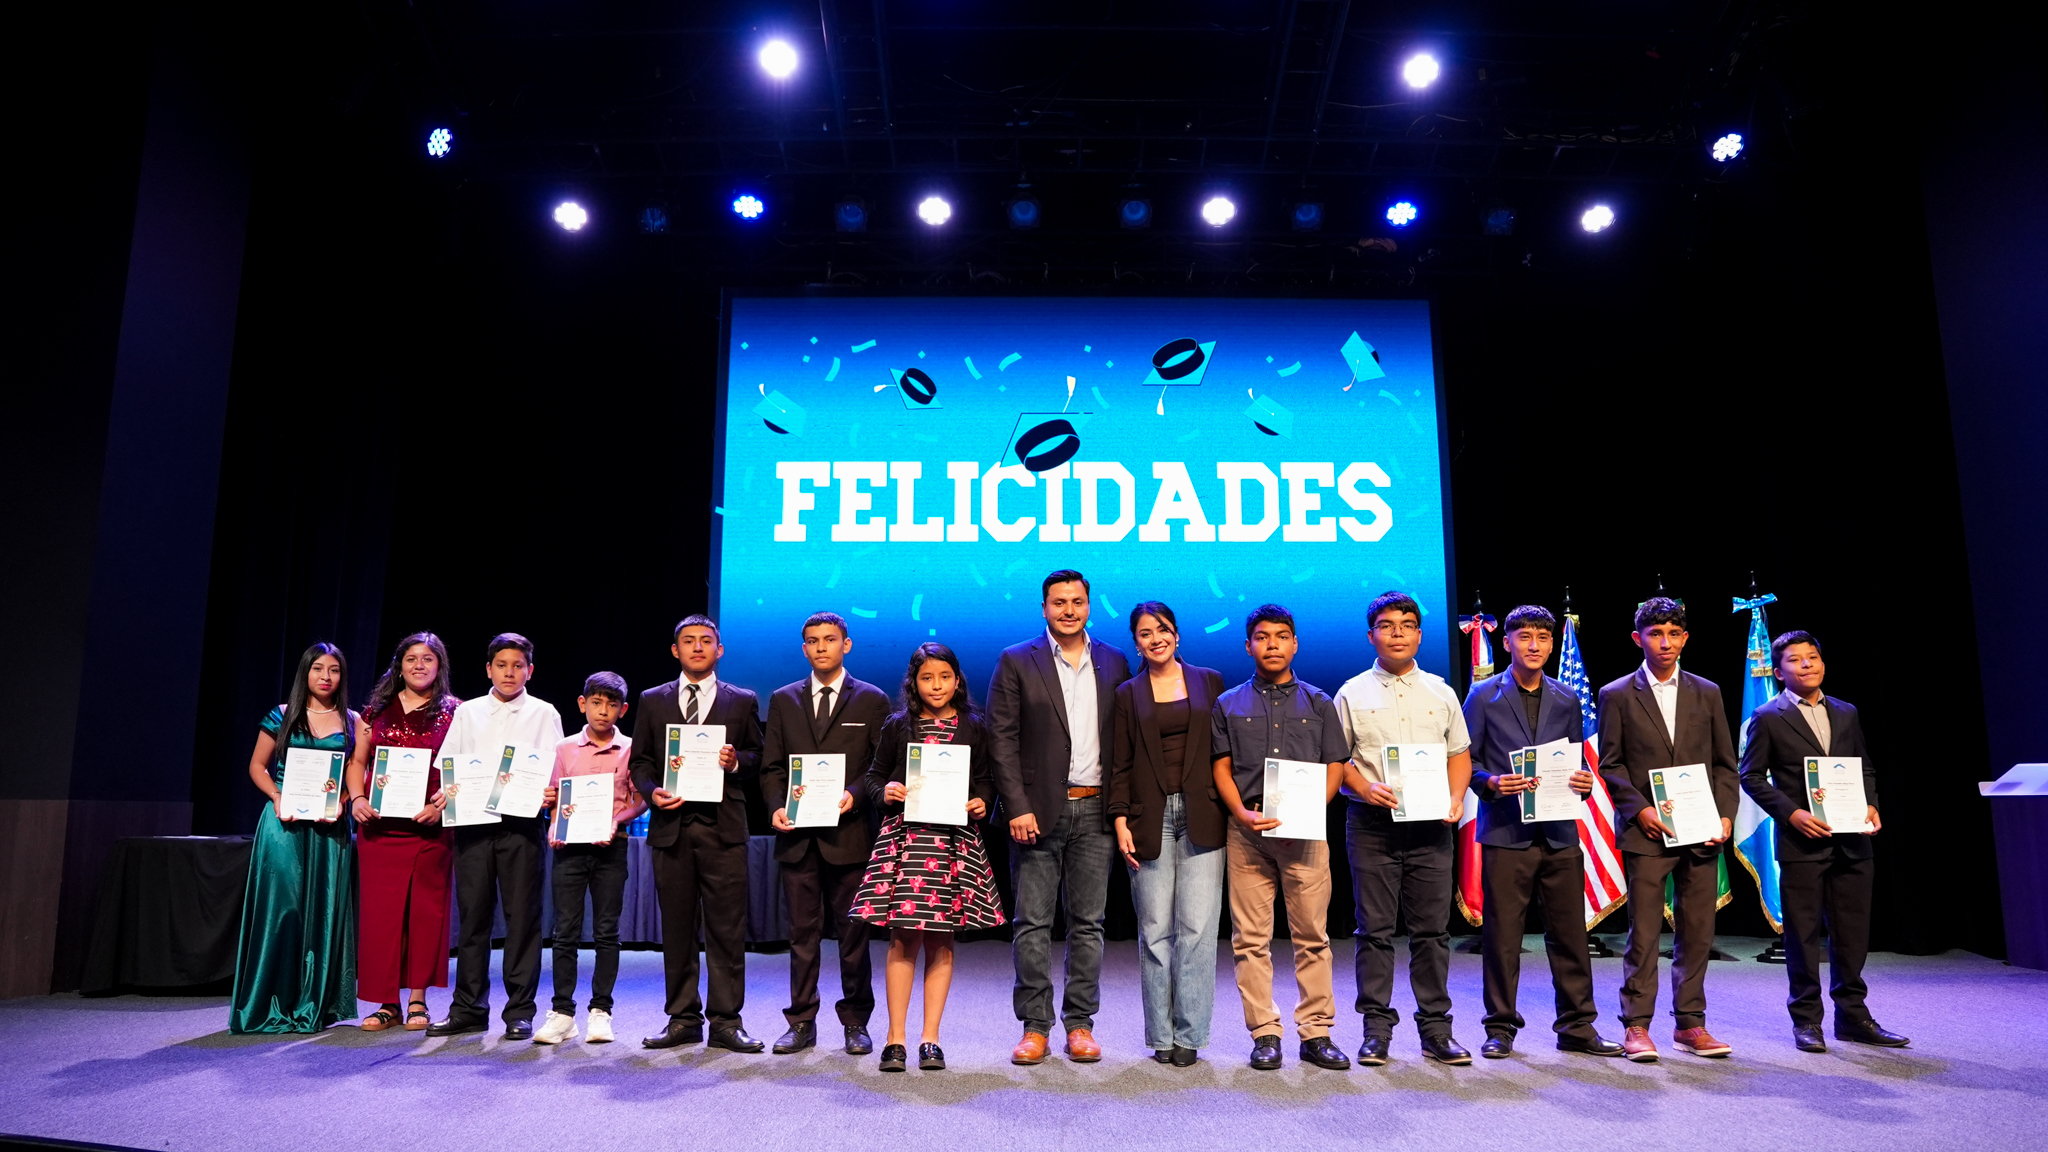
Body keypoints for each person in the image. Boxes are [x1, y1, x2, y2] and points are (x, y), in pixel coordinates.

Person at [1461, 606, 1623, 1059]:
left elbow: (1574, 760)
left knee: (1570, 936)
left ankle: (1577, 1026)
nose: (1534, 645)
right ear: (1508, 642)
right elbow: (1465, 761)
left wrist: (1584, 782)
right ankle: (1500, 1028)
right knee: (1502, 938)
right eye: (1525, 636)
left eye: (1543, 638)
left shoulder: (1567, 698)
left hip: (1558, 832)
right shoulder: (1482, 695)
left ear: (1552, 645)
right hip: (1505, 832)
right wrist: (1490, 783)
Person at [1739, 630, 1909, 1052]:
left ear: (1823, 664)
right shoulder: (1767, 716)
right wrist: (1791, 814)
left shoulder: (1846, 712)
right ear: (1779, 672)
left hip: (1852, 840)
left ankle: (1852, 1016)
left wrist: (1870, 805)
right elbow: (1751, 776)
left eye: (1812, 657)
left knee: (1852, 933)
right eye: (1795, 660)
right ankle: (1806, 1021)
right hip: (1802, 844)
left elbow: (1863, 767)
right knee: (1803, 936)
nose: (1806, 664)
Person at [987, 569, 1131, 1065]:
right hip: (1036, 811)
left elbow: (1124, 740)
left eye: (1077, 601)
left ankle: (1080, 1024)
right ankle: (1034, 1027)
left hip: (1096, 809)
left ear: (1089, 606)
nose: (1069, 610)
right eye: (1059, 602)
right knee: (1032, 923)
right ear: (1044, 608)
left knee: (1089, 924)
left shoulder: (1114, 660)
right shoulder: (1016, 660)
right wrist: (1016, 805)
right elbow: (1001, 739)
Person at [1332, 590, 1475, 1067]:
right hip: (1372, 825)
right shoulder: (1351, 693)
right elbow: (1338, 759)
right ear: (1371, 635)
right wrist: (1363, 786)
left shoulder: (1441, 691)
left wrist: (1456, 798)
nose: (1398, 633)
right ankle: (1376, 1031)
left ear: (1419, 634)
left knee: (1432, 932)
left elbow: (1459, 755)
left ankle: (1436, 1030)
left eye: (1407, 625)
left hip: (1431, 827)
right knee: (1373, 930)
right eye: (1387, 625)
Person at [1596, 597, 1740, 1062]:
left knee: (1697, 931)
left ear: (1685, 638)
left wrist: (1725, 815)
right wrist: (1639, 810)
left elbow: (1725, 764)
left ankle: (1690, 1024)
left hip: (1701, 831)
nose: (1665, 642)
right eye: (1655, 634)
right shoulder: (1617, 693)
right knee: (1643, 932)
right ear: (1637, 638)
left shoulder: (1707, 691)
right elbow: (1611, 764)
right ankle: (1636, 1025)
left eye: (1674, 634)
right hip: (1647, 833)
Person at [1210, 604, 1352, 1071]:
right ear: (1248, 645)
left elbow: (1336, 766)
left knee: (1312, 936)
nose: (1272, 644)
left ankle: (1316, 1033)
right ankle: (1265, 1034)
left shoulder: (1319, 702)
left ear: (1295, 644)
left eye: (1281, 636)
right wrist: (1239, 812)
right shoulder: (1228, 703)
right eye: (1262, 637)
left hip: (1305, 835)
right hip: (1247, 832)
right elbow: (1221, 766)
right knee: (1250, 939)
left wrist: (1308, 812)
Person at [852, 643, 1006, 1072]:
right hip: (909, 841)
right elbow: (874, 777)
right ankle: (895, 1039)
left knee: (942, 940)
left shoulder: (974, 725)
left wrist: (982, 801)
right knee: (903, 940)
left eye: (944, 677)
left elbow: (986, 780)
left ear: (957, 681)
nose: (936, 686)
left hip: (953, 843)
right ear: (913, 683)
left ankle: (930, 1039)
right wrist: (886, 792)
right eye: (926, 678)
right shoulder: (898, 725)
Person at [630, 614, 767, 1054]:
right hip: (671, 830)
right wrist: (652, 791)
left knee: (727, 929)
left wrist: (736, 761)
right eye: (688, 641)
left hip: (723, 830)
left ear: (719, 649)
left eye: (706, 641)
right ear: (676, 650)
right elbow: (640, 762)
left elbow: (758, 755)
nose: (697, 647)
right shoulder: (653, 700)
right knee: (677, 930)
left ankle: (726, 1021)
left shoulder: (742, 700)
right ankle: (683, 1018)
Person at [760, 611, 891, 1055]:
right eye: (813, 640)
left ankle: (856, 1021)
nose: (821, 647)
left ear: (845, 645)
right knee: (802, 936)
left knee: (853, 936)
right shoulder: (783, 699)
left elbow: (879, 767)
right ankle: (801, 1021)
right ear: (804, 649)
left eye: (829, 639)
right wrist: (776, 806)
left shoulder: (871, 699)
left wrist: (855, 794)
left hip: (849, 836)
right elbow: (772, 767)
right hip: (798, 838)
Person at [428, 633, 565, 1040]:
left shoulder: (544, 713)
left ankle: (519, 1011)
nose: (509, 672)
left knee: (523, 919)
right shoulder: (468, 711)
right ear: (488, 669)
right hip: (472, 825)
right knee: (473, 919)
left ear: (530, 671)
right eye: (501, 665)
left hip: (522, 827)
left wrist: (551, 792)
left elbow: (555, 771)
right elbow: (448, 766)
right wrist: (447, 792)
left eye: (517, 666)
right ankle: (468, 1008)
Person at [1108, 601, 1227, 1067]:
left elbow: (1224, 752)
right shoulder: (1127, 693)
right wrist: (1119, 819)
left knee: (1197, 930)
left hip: (1203, 813)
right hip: (1147, 817)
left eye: (1162, 630)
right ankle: (1160, 1034)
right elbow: (1120, 762)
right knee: (1155, 931)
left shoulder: (1209, 681)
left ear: (1177, 635)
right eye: (1144, 633)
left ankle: (1190, 1034)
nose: (1155, 639)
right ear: (1136, 643)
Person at [229, 642, 359, 1033]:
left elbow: (358, 773)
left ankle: (314, 1004)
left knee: (322, 912)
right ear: (306, 672)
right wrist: (277, 796)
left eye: (334, 669)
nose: (326, 676)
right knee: (282, 910)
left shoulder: (353, 721)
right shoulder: (282, 714)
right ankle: (268, 1003)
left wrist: (345, 799)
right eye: (318, 668)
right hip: (283, 823)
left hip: (329, 828)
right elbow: (257, 765)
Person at [346, 631, 459, 1032]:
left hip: (429, 829)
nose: (419, 665)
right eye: (411, 658)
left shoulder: (456, 712)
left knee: (425, 914)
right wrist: (357, 798)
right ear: (399, 665)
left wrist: (442, 803)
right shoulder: (375, 710)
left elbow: (464, 769)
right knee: (383, 917)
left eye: (428, 659)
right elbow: (357, 762)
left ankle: (417, 999)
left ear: (439, 666)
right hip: (379, 830)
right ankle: (387, 1002)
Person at [532, 672, 646, 1046]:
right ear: (583, 704)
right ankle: (563, 1013)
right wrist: (553, 820)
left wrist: (617, 819)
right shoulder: (564, 748)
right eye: (596, 703)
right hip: (569, 849)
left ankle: (601, 1011)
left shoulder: (631, 748)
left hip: (611, 847)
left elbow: (641, 799)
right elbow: (555, 795)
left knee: (606, 931)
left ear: (623, 710)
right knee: (564, 932)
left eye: (612, 704)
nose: (603, 711)